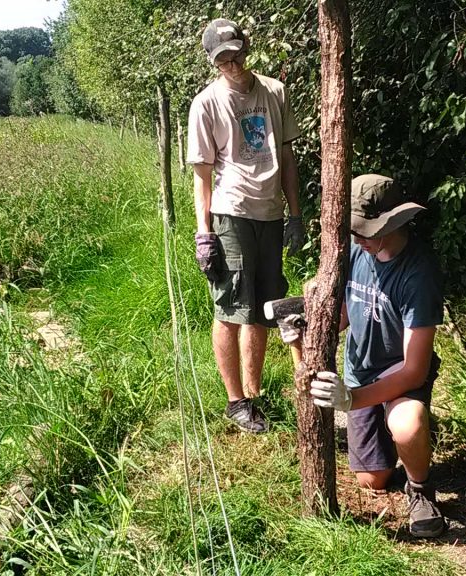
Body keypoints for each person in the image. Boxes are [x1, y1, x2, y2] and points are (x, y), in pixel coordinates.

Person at [280, 174, 446, 538]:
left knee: (408, 424)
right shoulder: (353, 250)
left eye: (366, 232)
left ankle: (420, 488)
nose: (358, 240)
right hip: (359, 370)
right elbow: (341, 317)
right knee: (372, 481)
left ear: (393, 223)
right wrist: (304, 329)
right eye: (354, 232)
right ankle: (391, 442)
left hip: (399, 374)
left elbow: (415, 370)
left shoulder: (419, 274)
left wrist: (351, 400)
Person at [187, 18, 304, 434]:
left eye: (236, 55)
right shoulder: (206, 104)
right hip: (230, 212)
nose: (232, 64)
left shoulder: (274, 91)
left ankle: (253, 396)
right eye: (223, 59)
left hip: (270, 212)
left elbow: (287, 159)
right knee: (232, 308)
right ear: (212, 61)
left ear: (246, 48)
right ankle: (234, 400)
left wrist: (295, 214)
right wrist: (205, 232)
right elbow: (202, 175)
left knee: (264, 307)